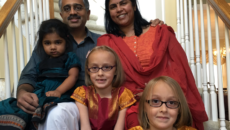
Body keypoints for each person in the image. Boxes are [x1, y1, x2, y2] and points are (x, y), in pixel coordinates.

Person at [14, 0, 163, 129]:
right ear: (61, 15)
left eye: (78, 7)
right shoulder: (50, 45)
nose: (72, 12)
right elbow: (28, 76)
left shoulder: (104, 41)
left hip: (95, 101)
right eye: (67, 9)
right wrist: (22, 92)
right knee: (55, 112)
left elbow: (126, 59)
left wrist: (149, 26)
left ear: (88, 12)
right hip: (65, 101)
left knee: (56, 112)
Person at [97, 0, 208, 130]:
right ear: (109, 12)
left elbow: (179, 70)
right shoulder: (106, 42)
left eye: (123, 3)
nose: (119, 9)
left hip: (165, 98)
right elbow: (107, 79)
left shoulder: (161, 32)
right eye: (113, 7)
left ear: (133, 5)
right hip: (130, 101)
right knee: (133, 120)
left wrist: (153, 93)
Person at [0, 19, 81, 130]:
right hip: (41, 92)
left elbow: (73, 76)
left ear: (66, 42)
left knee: (46, 109)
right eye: (47, 43)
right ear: (42, 43)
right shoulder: (42, 61)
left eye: (58, 42)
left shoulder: (70, 57)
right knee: (10, 107)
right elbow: (33, 78)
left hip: (60, 93)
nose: (52, 47)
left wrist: (58, 91)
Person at [71, 46, 136, 130]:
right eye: (94, 68)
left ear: (115, 70)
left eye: (106, 67)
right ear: (88, 70)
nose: (100, 73)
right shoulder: (82, 93)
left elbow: (119, 128)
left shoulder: (123, 95)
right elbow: (85, 127)